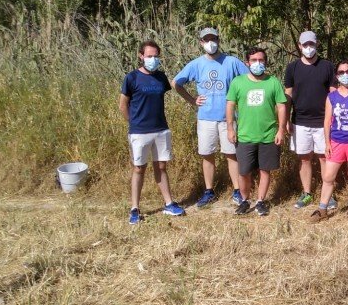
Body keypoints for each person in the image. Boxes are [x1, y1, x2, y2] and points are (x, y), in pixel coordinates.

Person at [172, 27, 249, 208]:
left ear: (218, 40)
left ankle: (237, 190)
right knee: (207, 155)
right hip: (206, 117)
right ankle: (209, 191)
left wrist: (242, 102)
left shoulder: (231, 62)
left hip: (228, 118)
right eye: (206, 40)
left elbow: (249, 79)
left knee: (231, 154)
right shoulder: (196, 64)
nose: (210, 43)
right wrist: (192, 100)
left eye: (213, 39)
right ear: (201, 43)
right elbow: (176, 83)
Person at [119, 40, 186, 224]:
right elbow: (123, 105)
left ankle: (169, 203)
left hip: (161, 129)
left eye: (156, 56)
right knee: (139, 168)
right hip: (140, 132)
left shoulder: (161, 78)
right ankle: (134, 208)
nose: (153, 59)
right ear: (141, 56)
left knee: (162, 167)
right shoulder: (131, 78)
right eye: (149, 56)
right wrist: (133, 124)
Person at [225, 47, 287, 216]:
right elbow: (230, 105)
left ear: (265, 62)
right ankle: (245, 200)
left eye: (261, 60)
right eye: (254, 60)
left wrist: (281, 130)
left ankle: (260, 201)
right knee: (244, 172)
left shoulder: (273, 82)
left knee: (264, 170)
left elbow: (281, 106)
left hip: (268, 135)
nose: (257, 63)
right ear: (247, 63)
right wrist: (230, 128)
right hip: (245, 136)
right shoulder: (238, 82)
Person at [307, 60, 348, 223]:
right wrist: (327, 143)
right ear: (337, 75)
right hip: (336, 141)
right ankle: (322, 209)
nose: (345, 75)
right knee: (328, 177)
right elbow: (327, 121)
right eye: (341, 72)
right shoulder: (331, 97)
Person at [284, 31, 337, 210]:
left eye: (311, 44)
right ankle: (307, 193)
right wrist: (285, 119)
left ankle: (327, 195)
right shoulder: (292, 68)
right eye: (305, 45)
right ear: (299, 46)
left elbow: (333, 94)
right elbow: (288, 96)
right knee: (304, 159)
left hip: (323, 122)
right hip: (299, 121)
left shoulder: (328, 66)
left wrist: (333, 120)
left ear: (317, 44)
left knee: (324, 158)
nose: (308, 48)